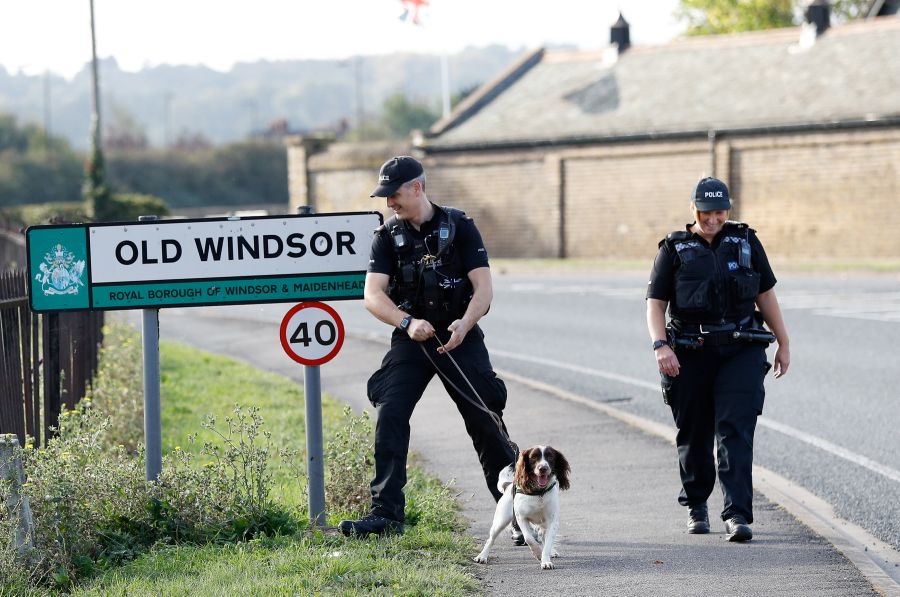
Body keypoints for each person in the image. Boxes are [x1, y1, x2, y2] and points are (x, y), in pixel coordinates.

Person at [339, 155, 518, 538]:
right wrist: (406, 322)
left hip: (459, 335)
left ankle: (517, 511)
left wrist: (465, 323)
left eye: (395, 195)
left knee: (485, 420)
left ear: (417, 188)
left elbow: (483, 289)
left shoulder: (461, 226)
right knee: (391, 413)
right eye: (385, 197)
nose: (390, 203)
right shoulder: (386, 237)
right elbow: (373, 295)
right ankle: (386, 515)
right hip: (411, 337)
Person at [645, 176, 790, 542]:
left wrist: (784, 342)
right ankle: (697, 505)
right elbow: (656, 303)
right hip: (690, 354)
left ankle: (737, 514)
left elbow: (766, 295)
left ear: (729, 208)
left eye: (719, 211)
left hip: (740, 349)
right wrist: (661, 345)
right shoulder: (673, 249)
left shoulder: (745, 241)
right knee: (694, 433)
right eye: (705, 211)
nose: (713, 218)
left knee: (734, 430)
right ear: (693, 210)